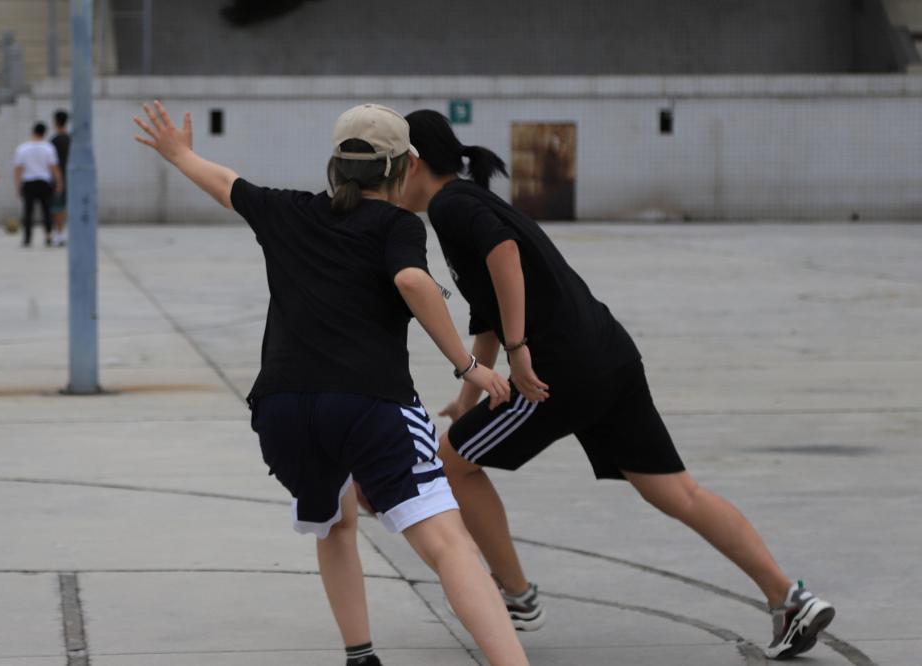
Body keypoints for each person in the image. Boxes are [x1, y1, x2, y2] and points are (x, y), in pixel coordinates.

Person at [399, 109, 835, 661]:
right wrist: (467, 398)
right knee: (676, 492)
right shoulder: (469, 201)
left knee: (451, 464)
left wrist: (519, 349)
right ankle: (789, 598)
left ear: (412, 162)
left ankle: (517, 595)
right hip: (609, 356)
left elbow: (503, 255)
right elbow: (486, 316)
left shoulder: (450, 206)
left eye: (389, 167)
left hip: (556, 374)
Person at [133, 100, 530, 666]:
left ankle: (360, 655)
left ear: (336, 165)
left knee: (336, 522)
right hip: (371, 407)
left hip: (283, 412)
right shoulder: (397, 225)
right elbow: (413, 282)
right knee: (449, 544)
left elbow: (226, 184)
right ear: (404, 168)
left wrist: (178, 154)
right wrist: (469, 366)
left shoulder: (288, 210)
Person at [13, 122, 63, 248]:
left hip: (28, 182)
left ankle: (27, 238)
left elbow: (18, 169)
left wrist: (18, 185)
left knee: (28, 211)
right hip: (44, 182)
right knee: (46, 211)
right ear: (44, 133)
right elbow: (54, 167)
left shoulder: (23, 148)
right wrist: (59, 182)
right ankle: (48, 236)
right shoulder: (48, 148)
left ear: (33, 131)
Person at [50, 110, 71, 247]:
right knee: (64, 207)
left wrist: (58, 181)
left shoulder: (54, 141)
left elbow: (52, 164)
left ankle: (59, 234)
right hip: (70, 177)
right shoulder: (71, 139)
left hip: (57, 177)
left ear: (56, 122)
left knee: (57, 207)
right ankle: (61, 234)